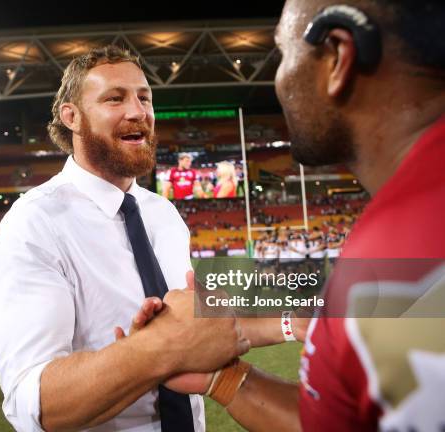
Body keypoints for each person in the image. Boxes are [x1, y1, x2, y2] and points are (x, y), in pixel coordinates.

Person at [134, 0, 445, 430]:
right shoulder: (396, 234)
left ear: (337, 57)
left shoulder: (397, 251)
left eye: (283, 55)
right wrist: (222, 377)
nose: (277, 81)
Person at [0, 45, 252, 432]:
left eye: (144, 97)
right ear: (72, 116)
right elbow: (34, 402)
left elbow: (195, 330)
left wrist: (290, 321)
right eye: (115, 98)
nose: (137, 111)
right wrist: (158, 349)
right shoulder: (35, 222)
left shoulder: (164, 215)